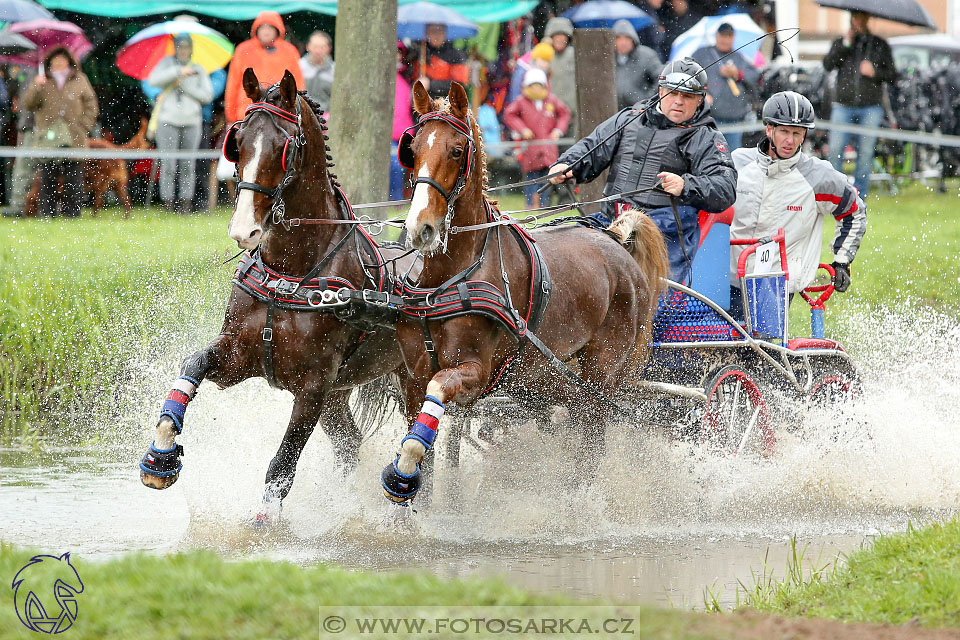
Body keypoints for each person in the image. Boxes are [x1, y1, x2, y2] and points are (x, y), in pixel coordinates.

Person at [549, 58, 737, 283]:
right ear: (660, 91)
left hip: (664, 235)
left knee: (622, 268)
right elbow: (593, 146)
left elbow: (725, 188)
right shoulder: (630, 118)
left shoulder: (706, 137)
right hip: (611, 219)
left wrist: (686, 185)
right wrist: (567, 164)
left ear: (700, 100)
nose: (678, 101)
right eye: (672, 93)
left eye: (687, 96)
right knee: (561, 247)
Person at [729, 91, 866, 308]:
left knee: (759, 342)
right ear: (768, 129)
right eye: (783, 131)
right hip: (727, 278)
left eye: (797, 133)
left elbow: (855, 211)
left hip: (776, 284)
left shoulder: (819, 177)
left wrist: (842, 260)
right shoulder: (736, 163)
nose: (790, 140)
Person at [822, 11, 896, 200]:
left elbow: (892, 74)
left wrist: (875, 72)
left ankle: (860, 195)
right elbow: (829, 64)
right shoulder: (843, 43)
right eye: (854, 18)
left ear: (867, 19)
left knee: (865, 153)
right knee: (836, 150)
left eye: (861, 18)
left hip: (870, 106)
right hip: (843, 105)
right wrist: (846, 43)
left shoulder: (879, 45)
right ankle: (836, 191)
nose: (857, 22)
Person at [22, 46, 98, 218]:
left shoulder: (80, 79)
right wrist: (35, 86)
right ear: (49, 62)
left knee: (74, 178)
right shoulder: (42, 80)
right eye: (55, 59)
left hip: (74, 137)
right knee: (47, 177)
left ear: (69, 61)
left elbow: (91, 105)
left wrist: (83, 126)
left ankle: (72, 213)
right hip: (48, 138)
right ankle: (47, 213)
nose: (59, 62)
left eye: (62, 59)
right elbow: (28, 105)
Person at [147, 34, 213, 213]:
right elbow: (153, 80)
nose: (183, 50)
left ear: (191, 48)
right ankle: (168, 202)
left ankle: (185, 202)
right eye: (180, 46)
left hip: (192, 121)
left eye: (186, 46)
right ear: (175, 47)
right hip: (168, 120)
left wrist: (185, 86)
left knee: (188, 164)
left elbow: (207, 96)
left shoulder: (198, 68)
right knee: (168, 163)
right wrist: (176, 72)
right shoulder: (166, 64)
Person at [503, 68, 571, 208]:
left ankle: (543, 204)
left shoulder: (551, 99)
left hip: (548, 147)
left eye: (539, 86)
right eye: (532, 86)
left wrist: (558, 130)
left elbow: (565, 112)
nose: (536, 90)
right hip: (531, 147)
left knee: (547, 177)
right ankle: (530, 204)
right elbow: (509, 115)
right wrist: (522, 129)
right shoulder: (521, 101)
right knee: (531, 177)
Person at [225, 11, 304, 126]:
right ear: (256, 30)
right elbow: (233, 85)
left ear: (277, 30)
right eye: (262, 28)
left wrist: (297, 113)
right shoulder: (243, 50)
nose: (266, 31)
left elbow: (298, 85)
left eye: (270, 28)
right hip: (247, 114)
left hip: (279, 115)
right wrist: (231, 118)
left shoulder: (289, 51)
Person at [691, 23, 759, 151]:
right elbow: (690, 75)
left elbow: (755, 77)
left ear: (733, 37)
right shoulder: (702, 54)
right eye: (723, 36)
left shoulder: (738, 57)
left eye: (729, 36)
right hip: (710, 117)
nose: (725, 40)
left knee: (733, 155)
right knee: (711, 153)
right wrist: (702, 93)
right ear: (716, 36)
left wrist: (737, 74)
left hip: (735, 116)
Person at [406, 23, 469, 100]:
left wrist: (431, 84)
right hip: (423, 103)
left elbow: (460, 84)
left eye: (440, 31)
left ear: (445, 33)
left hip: (447, 103)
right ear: (427, 33)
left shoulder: (455, 55)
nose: (437, 35)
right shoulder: (421, 53)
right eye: (433, 31)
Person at [613, 19, 662, 111]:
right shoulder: (607, 59)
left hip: (640, 112)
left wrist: (647, 100)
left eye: (627, 38)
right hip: (614, 112)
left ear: (633, 40)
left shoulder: (647, 56)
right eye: (618, 38)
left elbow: (660, 78)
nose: (623, 42)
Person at [544, 17, 577, 136]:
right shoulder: (544, 56)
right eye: (556, 35)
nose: (560, 38)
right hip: (549, 113)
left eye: (563, 35)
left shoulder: (575, 54)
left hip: (573, 113)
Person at [507, 41, 554, 106]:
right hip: (524, 107)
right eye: (543, 60)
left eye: (548, 61)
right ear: (536, 58)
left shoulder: (544, 71)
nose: (546, 64)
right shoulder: (523, 70)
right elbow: (516, 91)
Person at [299, 30, 335, 112]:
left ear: (329, 48)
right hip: (302, 112)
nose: (318, 51)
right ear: (308, 47)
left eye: (322, 47)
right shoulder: (299, 66)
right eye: (315, 47)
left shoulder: (335, 70)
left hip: (327, 115)